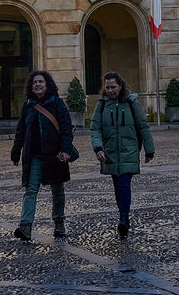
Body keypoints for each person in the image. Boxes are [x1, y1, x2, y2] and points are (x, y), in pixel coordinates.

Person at [8, 70, 77, 242]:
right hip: (35, 155)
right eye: (35, 82)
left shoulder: (57, 103)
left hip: (56, 154)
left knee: (58, 190)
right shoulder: (28, 106)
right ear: (31, 86)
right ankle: (25, 225)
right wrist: (16, 152)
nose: (38, 84)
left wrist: (66, 149)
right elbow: (20, 131)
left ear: (47, 85)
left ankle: (59, 222)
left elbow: (66, 128)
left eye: (41, 82)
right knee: (31, 189)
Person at [89, 71, 154, 239]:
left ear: (120, 86)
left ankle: (123, 218)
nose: (110, 90)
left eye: (113, 87)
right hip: (110, 152)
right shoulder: (102, 104)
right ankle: (123, 215)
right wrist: (98, 148)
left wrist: (149, 150)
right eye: (107, 87)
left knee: (124, 184)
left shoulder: (131, 102)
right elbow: (95, 127)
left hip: (129, 151)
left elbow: (142, 126)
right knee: (117, 186)